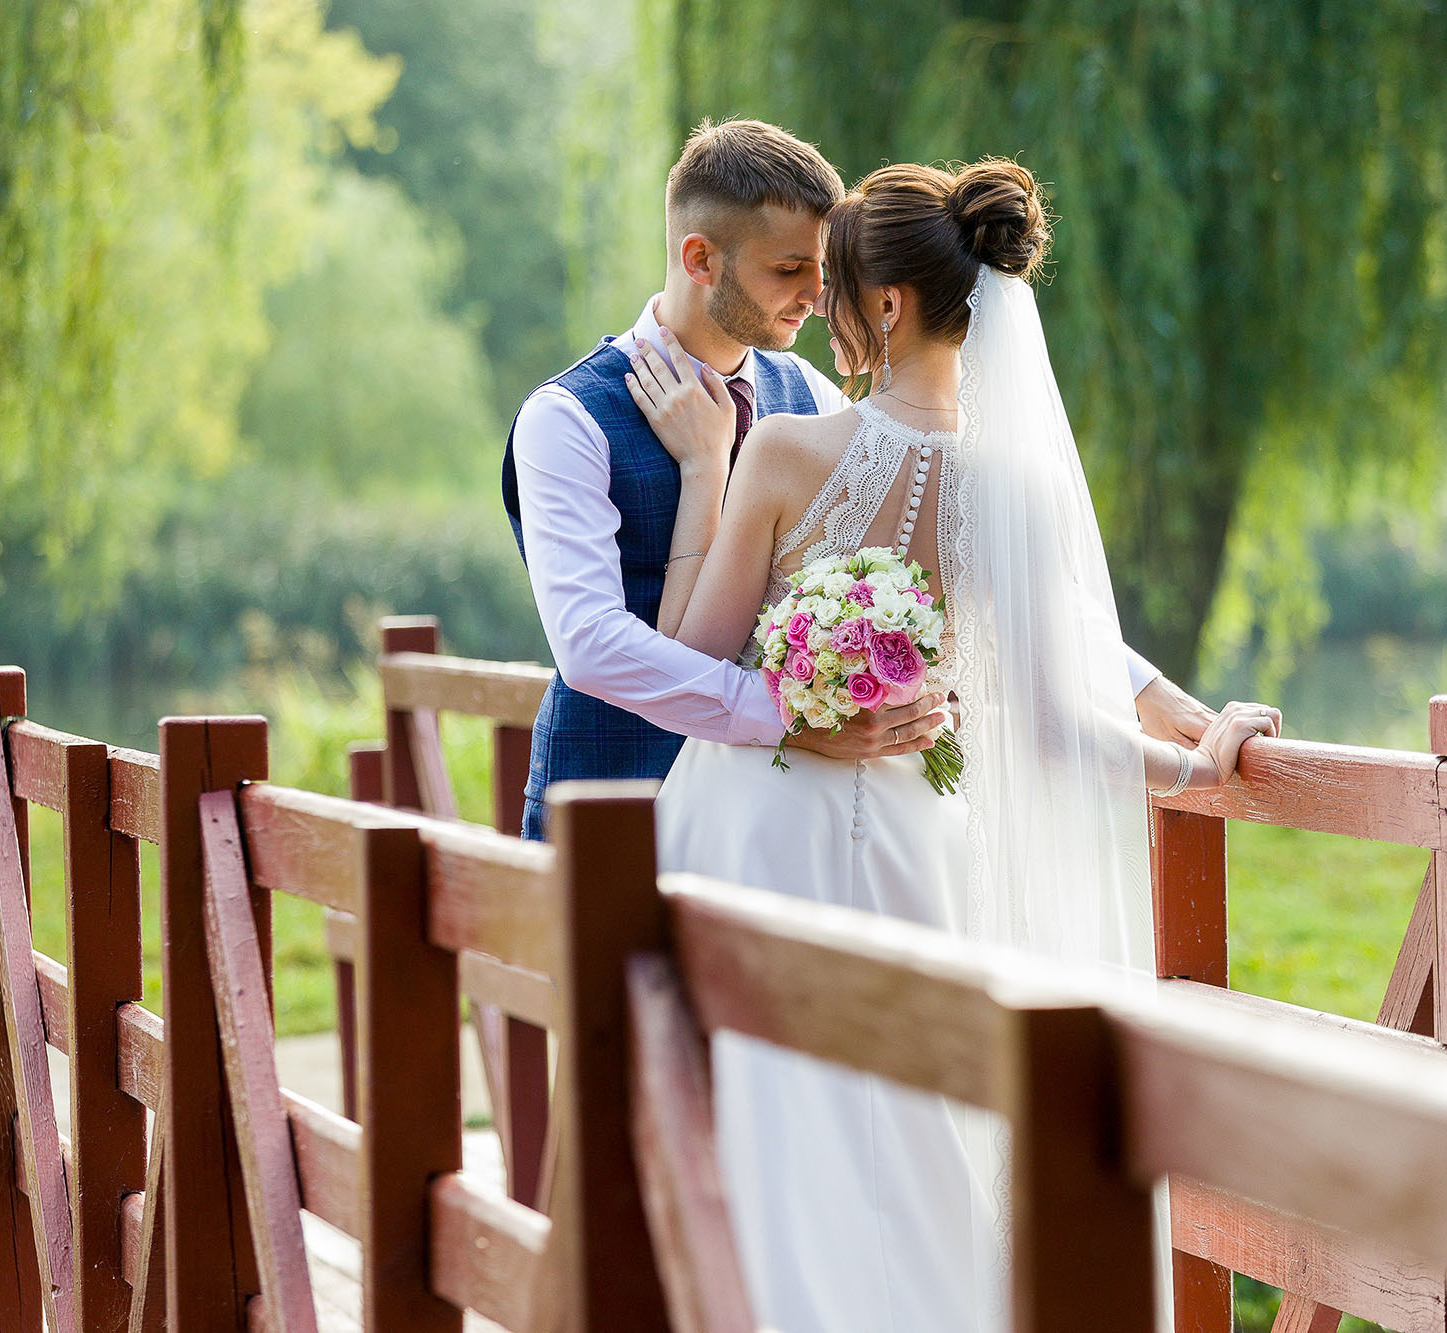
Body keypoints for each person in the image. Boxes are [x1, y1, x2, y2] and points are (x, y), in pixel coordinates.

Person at [639, 158, 1281, 1332]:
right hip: (908, 840)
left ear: (883, 305)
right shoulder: (1016, 487)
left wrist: (701, 474)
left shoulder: (782, 453)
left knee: (764, 1115)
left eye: (832, 285)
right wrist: (1198, 759)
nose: (820, 309)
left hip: (754, 826)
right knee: (903, 1122)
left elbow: (696, 655)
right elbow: (1048, 725)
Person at [504, 118, 1220, 840]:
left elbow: (977, 539)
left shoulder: (809, 396)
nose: (818, 296)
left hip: (790, 829)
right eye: (789, 270)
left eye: (825, 270)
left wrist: (1142, 685)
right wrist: (789, 714)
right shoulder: (567, 420)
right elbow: (592, 643)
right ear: (700, 259)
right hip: (606, 816)